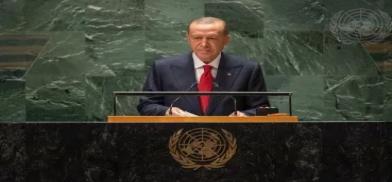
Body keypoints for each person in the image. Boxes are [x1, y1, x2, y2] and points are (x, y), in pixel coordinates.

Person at [137, 17, 269, 116]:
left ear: (226, 40)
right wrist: (168, 112)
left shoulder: (248, 69)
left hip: (230, 141)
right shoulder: (163, 68)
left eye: (211, 38)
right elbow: (146, 105)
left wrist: (244, 115)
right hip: (178, 139)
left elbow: (263, 109)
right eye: (197, 38)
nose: (204, 44)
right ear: (188, 39)